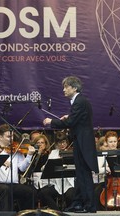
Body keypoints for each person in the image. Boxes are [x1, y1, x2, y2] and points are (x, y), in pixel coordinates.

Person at [43, 76, 98, 213]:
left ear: (74, 88)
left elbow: (70, 123)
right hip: (80, 141)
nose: (64, 90)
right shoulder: (79, 101)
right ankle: (78, 203)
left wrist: (52, 122)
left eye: (66, 87)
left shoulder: (79, 101)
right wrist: (69, 118)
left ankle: (89, 206)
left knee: (84, 174)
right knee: (80, 174)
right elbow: (76, 120)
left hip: (83, 143)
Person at [0, 124, 36, 211]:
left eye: (12, 136)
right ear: (0, 136)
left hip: (14, 184)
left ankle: (24, 213)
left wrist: (29, 156)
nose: (11, 139)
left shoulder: (16, 149)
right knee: (6, 191)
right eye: (8, 137)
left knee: (31, 192)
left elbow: (22, 168)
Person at [37, 131, 75, 210]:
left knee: (70, 196)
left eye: (63, 142)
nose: (62, 145)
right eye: (59, 143)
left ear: (67, 142)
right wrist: (45, 167)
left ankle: (69, 211)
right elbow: (48, 165)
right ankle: (56, 211)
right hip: (56, 184)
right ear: (56, 144)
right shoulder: (53, 153)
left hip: (69, 184)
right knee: (43, 193)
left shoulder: (72, 152)